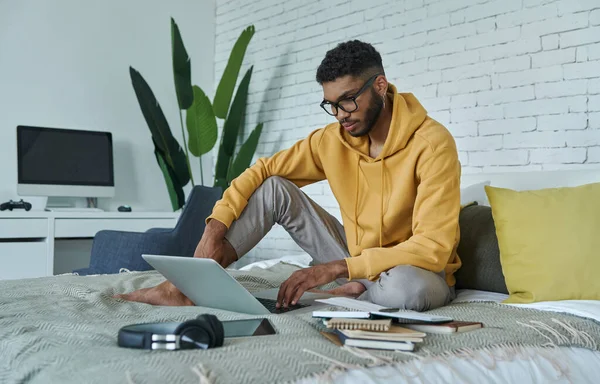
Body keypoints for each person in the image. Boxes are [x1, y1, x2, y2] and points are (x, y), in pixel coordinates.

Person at [116, 40, 462, 312]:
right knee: (274, 188)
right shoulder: (332, 140)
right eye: (331, 105)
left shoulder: (432, 144)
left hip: (414, 269)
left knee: (406, 290)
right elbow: (264, 170)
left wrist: (336, 270)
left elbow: (433, 248)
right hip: (356, 257)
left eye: (348, 101)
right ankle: (185, 288)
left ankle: (357, 290)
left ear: (381, 86)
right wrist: (215, 227)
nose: (341, 115)